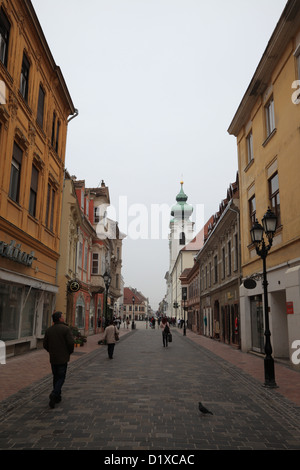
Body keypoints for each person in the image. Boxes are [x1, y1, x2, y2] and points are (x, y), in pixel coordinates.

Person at [43, 311, 74, 409]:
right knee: (61, 377)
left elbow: (45, 344)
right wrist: (69, 352)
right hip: (63, 357)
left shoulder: (49, 330)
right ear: (60, 318)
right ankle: (54, 393)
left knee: (55, 377)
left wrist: (51, 351)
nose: (63, 318)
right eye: (62, 316)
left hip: (53, 357)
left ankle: (57, 397)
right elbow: (70, 343)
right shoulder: (65, 329)